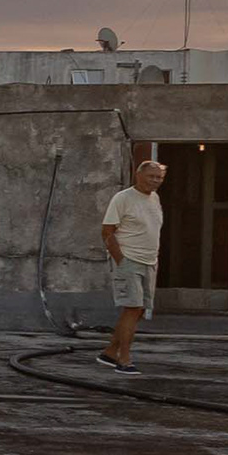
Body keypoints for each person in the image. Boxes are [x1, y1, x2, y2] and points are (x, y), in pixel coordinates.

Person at [97, 156, 169, 367]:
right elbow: (107, 232)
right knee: (132, 307)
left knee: (139, 310)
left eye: (159, 177)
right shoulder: (123, 198)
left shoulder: (154, 198)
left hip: (149, 261)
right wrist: (121, 261)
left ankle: (110, 352)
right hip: (129, 259)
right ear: (138, 175)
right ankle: (124, 360)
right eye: (151, 176)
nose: (155, 180)